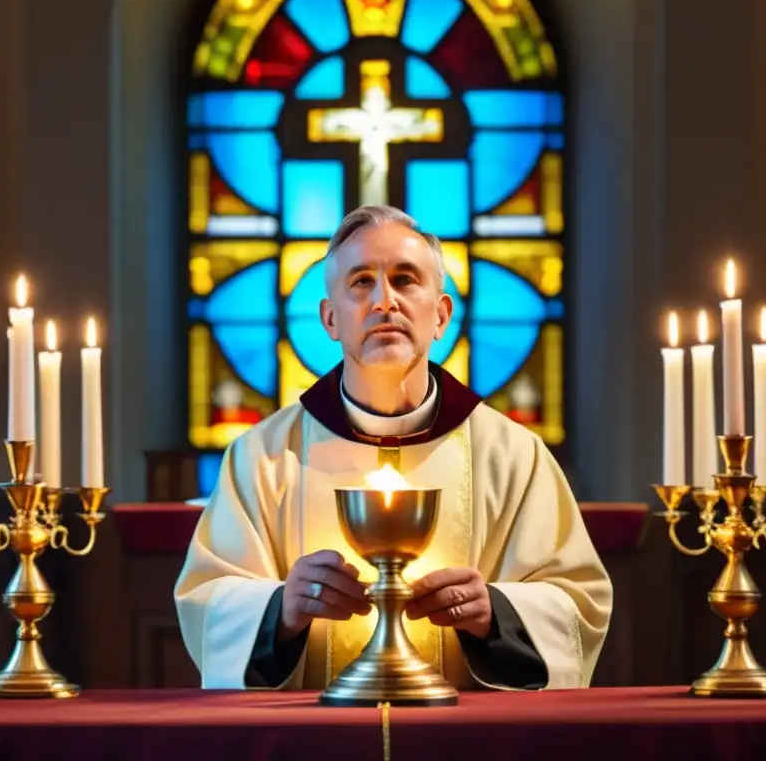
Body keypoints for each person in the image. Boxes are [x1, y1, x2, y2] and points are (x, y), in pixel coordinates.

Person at [174, 205, 613, 692]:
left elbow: (579, 601)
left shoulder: (512, 455)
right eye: (361, 282)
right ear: (330, 318)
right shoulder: (262, 457)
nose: (385, 301)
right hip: (313, 739)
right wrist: (281, 609)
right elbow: (207, 599)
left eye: (405, 279)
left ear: (442, 314)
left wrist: (498, 613)